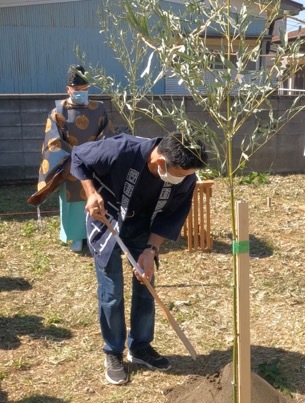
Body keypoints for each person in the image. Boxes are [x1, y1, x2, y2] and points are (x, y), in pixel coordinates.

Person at [70, 132, 207, 385]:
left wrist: (150, 250)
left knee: (146, 284)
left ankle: (140, 347)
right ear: (161, 162)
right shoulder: (121, 149)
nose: (183, 179)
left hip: (145, 224)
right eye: (180, 174)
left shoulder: (185, 176)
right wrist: (90, 193)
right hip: (108, 217)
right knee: (112, 291)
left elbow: (172, 215)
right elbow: (78, 156)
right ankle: (113, 351)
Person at [28, 64, 114, 252]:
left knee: (96, 197)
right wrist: (73, 157)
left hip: (94, 163)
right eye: (76, 89)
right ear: (68, 89)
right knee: (72, 203)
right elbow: (53, 141)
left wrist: (95, 155)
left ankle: (95, 233)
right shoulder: (58, 111)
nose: (80, 92)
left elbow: (107, 135)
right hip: (70, 163)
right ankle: (75, 237)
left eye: (84, 89)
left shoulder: (98, 109)